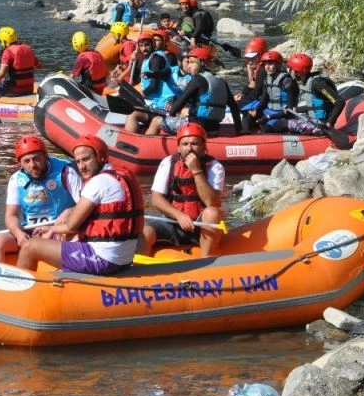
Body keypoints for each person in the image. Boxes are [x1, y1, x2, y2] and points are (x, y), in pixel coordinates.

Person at [16, 135, 144, 275]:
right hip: (124, 258)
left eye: (86, 159)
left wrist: (52, 230)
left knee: (30, 246)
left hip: (103, 259)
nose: (82, 166)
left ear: (100, 156)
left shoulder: (98, 182)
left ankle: (20, 287)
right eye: (78, 161)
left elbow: (72, 225)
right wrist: (53, 229)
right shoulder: (124, 176)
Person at [0, 136, 82, 262]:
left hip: (60, 231)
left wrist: (69, 211)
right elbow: (11, 216)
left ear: (45, 157)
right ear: (20, 163)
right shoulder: (16, 179)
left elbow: (85, 205)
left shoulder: (66, 172)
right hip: (32, 232)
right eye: (27, 161)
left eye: (36, 159)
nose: (32, 165)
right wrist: (19, 235)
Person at [138, 123, 225, 257]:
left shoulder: (215, 167)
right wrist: (179, 215)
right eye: (185, 144)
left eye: (194, 144)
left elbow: (211, 202)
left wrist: (196, 170)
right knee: (145, 232)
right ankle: (139, 266)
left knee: (212, 212)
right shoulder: (168, 163)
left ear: (203, 146)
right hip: (173, 222)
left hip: (201, 226)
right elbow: (156, 200)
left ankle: (206, 259)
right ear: (179, 147)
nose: (189, 148)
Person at [144, 47, 242, 136]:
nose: (189, 66)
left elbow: (179, 104)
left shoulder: (197, 80)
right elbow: (234, 107)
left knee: (156, 121)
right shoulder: (222, 82)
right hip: (214, 128)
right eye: (188, 62)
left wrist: (170, 115)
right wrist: (239, 129)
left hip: (196, 127)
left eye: (192, 62)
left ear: (202, 63)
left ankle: (147, 145)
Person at [124, 34, 181, 132]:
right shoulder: (148, 58)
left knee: (131, 114)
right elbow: (138, 78)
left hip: (160, 105)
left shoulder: (156, 59)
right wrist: (133, 62)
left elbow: (154, 86)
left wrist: (139, 95)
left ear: (153, 44)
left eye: (147, 45)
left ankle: (130, 138)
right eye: (141, 46)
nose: (144, 48)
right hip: (152, 101)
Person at [285, 52, 345, 133]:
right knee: (283, 122)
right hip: (313, 121)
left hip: (321, 125)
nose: (289, 71)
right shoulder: (308, 81)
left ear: (298, 72)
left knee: (282, 124)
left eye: (291, 68)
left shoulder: (318, 84)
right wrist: (295, 109)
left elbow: (339, 102)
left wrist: (329, 123)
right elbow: (316, 106)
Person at [243, 49, 299, 133]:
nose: (267, 67)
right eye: (265, 64)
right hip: (269, 111)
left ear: (278, 65)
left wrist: (269, 117)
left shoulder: (287, 81)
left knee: (265, 130)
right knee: (247, 116)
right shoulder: (267, 79)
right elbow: (264, 99)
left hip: (281, 115)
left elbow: (290, 109)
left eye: (270, 64)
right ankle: (244, 134)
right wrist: (256, 110)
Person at [0, 26, 41, 96]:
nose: (1, 43)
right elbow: (39, 66)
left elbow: (2, 73)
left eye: (1, 41)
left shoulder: (7, 51)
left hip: (14, 90)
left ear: (5, 41)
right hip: (29, 89)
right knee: (0, 79)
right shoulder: (27, 48)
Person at [70, 31, 107, 95]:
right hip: (102, 86)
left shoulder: (81, 58)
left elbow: (72, 77)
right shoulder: (96, 53)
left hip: (91, 88)